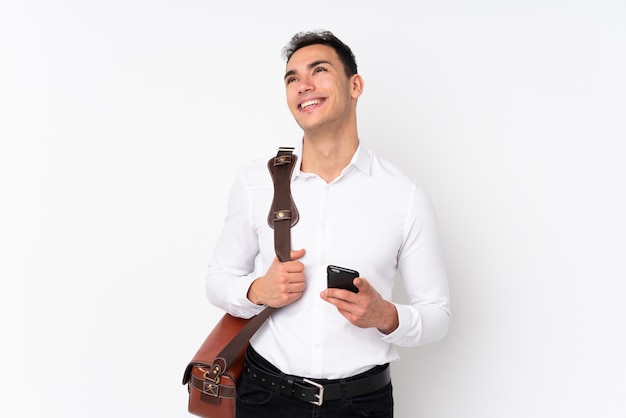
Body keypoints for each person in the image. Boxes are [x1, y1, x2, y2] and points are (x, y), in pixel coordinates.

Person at [205, 30, 450, 418]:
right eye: (292, 78)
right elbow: (218, 279)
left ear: (356, 85)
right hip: (264, 397)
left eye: (319, 71)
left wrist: (385, 316)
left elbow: (437, 314)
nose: (303, 85)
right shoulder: (256, 181)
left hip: (362, 404)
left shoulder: (405, 195)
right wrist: (257, 289)